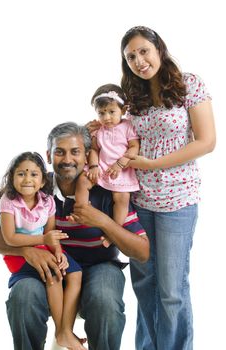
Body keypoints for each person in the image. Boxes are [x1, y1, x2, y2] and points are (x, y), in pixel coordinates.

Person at [0, 122, 150, 350]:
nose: (67, 159)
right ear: (49, 155)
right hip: (49, 268)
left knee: (105, 298)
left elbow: (143, 251)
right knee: (23, 295)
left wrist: (101, 220)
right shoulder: (36, 185)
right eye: (60, 152)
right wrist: (24, 250)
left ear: (88, 155)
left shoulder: (108, 187)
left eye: (75, 152)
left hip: (99, 266)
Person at [120, 26, 216, 350]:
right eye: (131, 56)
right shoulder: (132, 98)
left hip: (179, 200)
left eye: (143, 51)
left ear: (158, 48)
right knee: (145, 284)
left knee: (172, 290)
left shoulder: (190, 84)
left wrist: (155, 164)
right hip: (140, 201)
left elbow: (207, 141)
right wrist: (97, 127)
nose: (139, 60)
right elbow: (118, 135)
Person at [0, 151, 85, 350]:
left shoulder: (47, 201)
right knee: (54, 274)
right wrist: (42, 240)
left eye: (34, 174)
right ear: (12, 178)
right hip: (18, 252)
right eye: (21, 174)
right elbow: (9, 237)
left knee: (75, 272)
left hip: (44, 246)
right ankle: (61, 331)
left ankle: (64, 330)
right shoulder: (9, 202)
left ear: (43, 179)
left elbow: (51, 233)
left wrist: (59, 252)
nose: (27, 179)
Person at [75, 84, 140, 236]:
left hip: (121, 169)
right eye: (102, 113)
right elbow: (95, 150)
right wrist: (93, 166)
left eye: (112, 112)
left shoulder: (128, 126)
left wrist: (120, 163)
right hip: (102, 166)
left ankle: (114, 232)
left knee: (122, 198)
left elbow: (134, 147)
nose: (106, 117)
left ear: (123, 110)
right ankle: (82, 210)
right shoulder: (99, 130)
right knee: (83, 180)